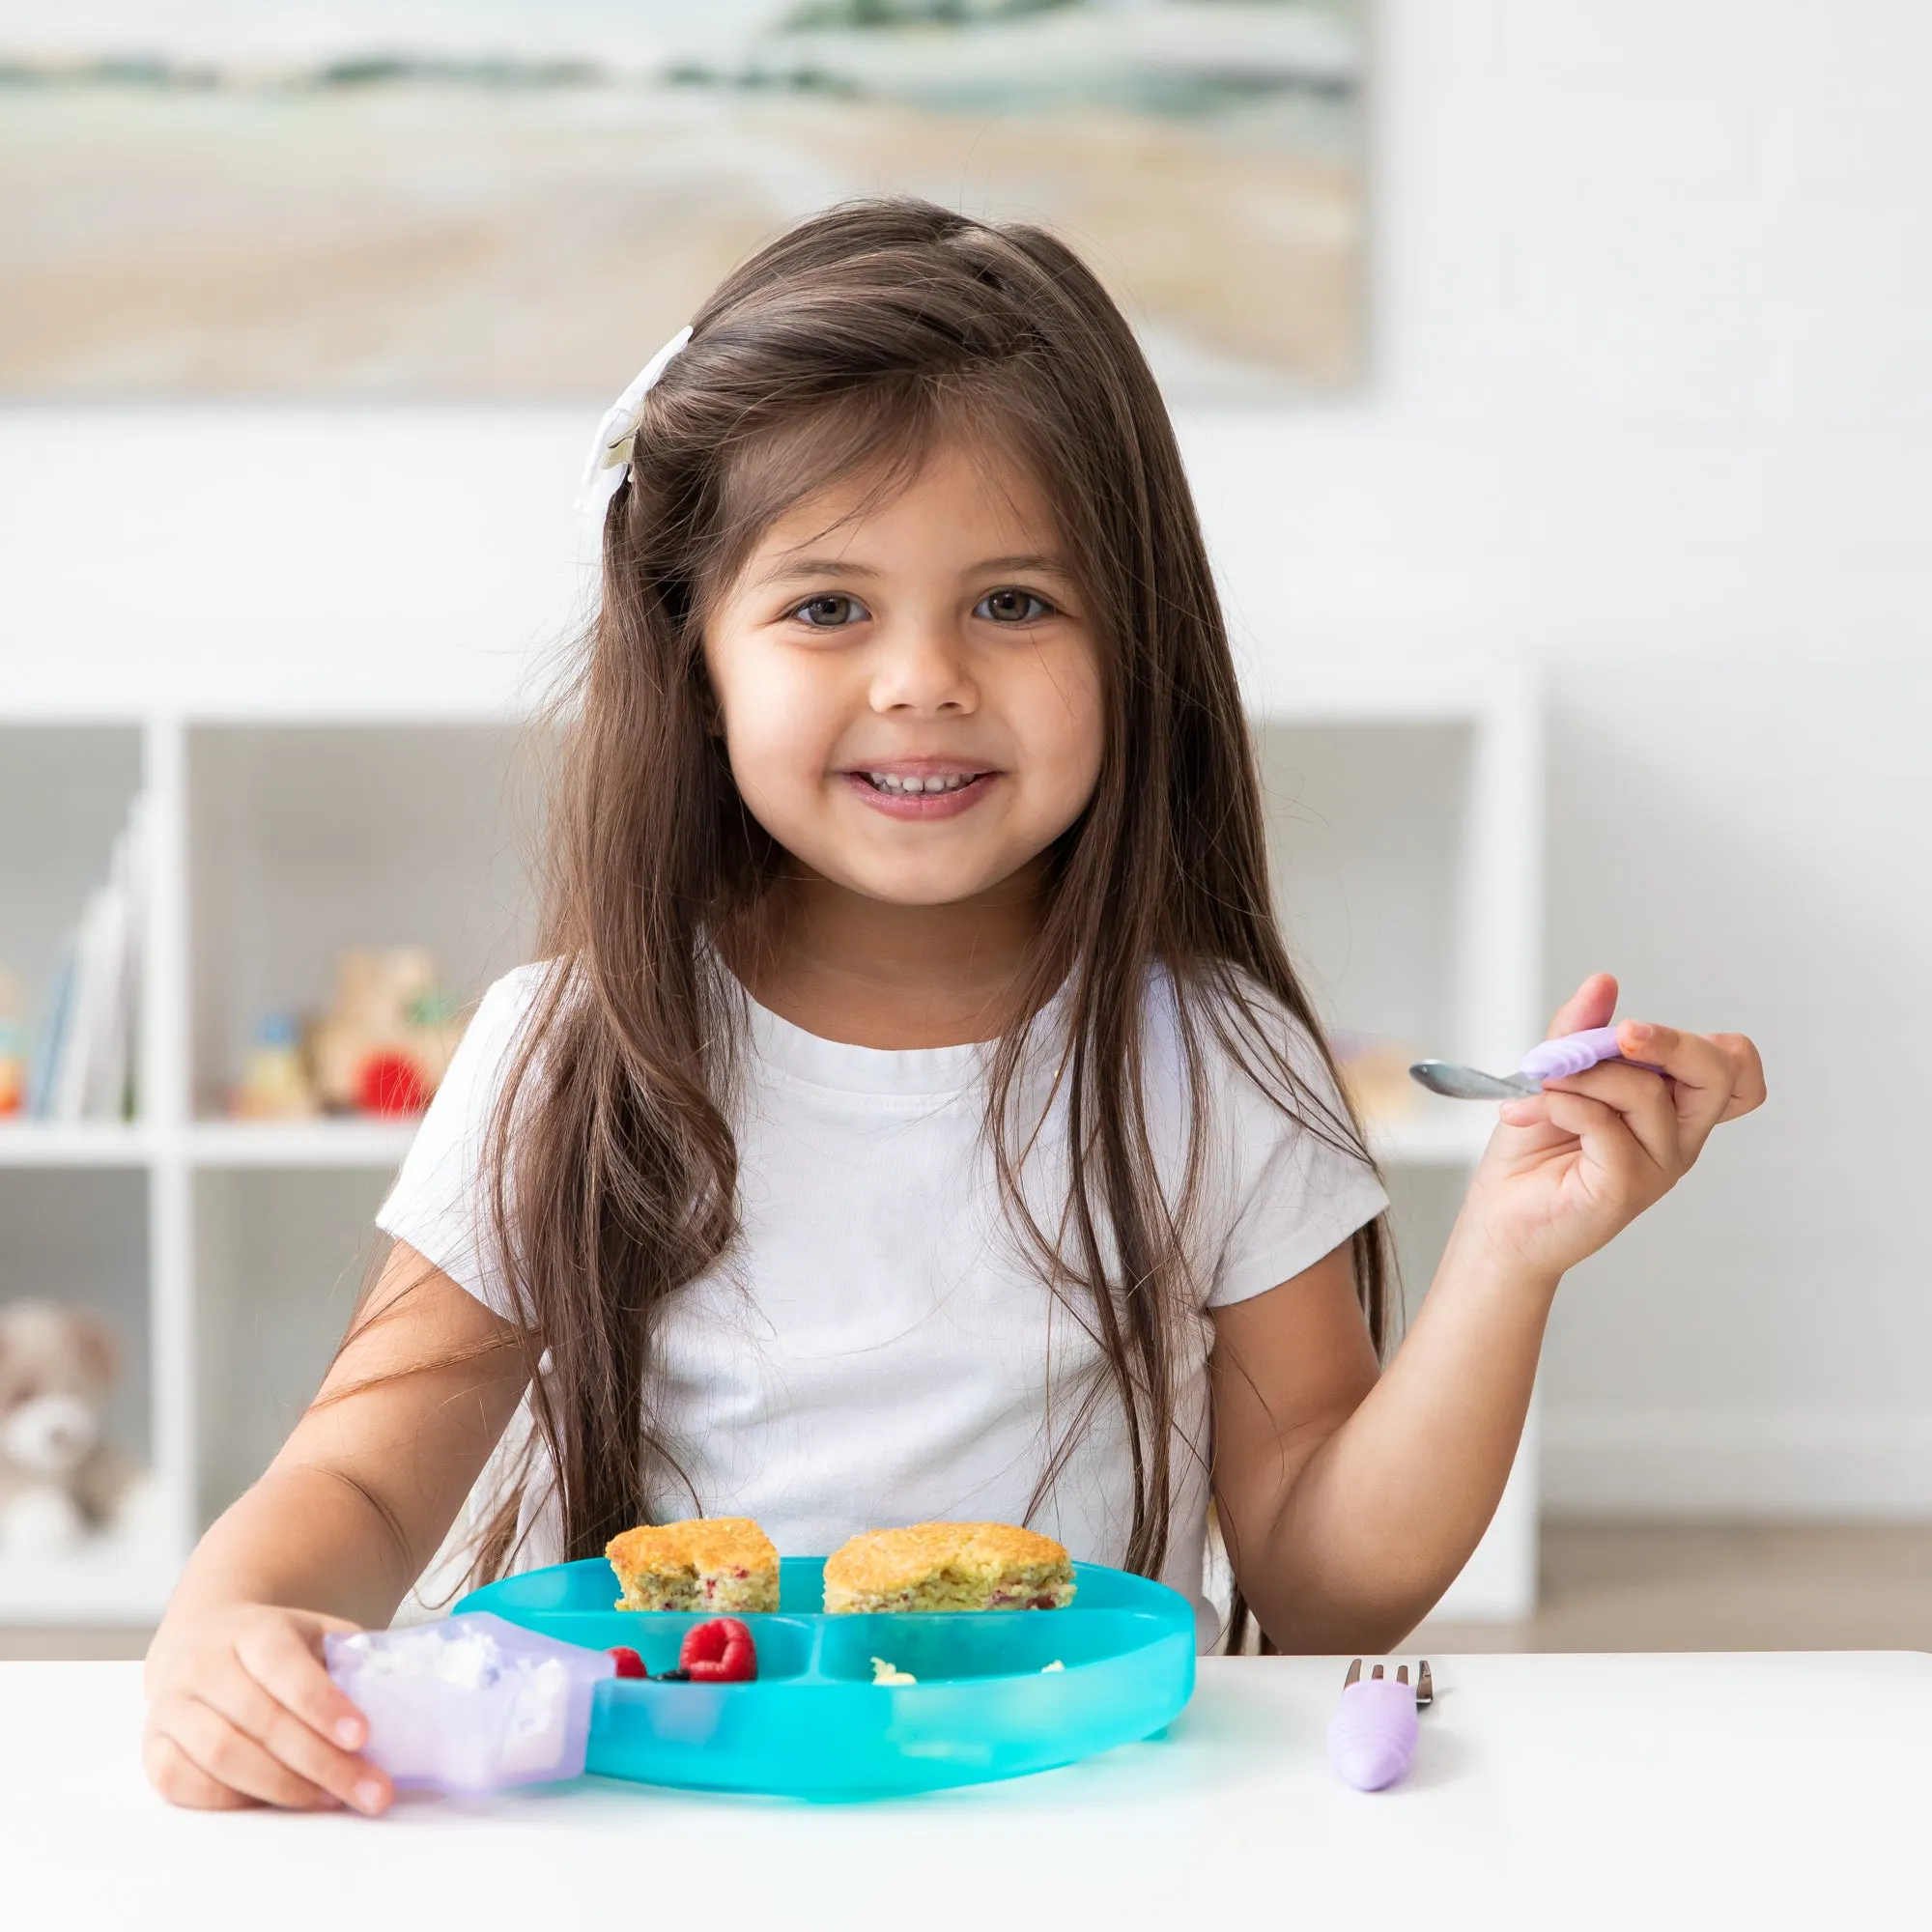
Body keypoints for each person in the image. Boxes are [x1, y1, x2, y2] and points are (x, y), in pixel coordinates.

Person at [141, 198, 1765, 1814]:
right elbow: (356, 1478)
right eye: (829, 605)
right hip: (660, 1835)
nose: (923, 677)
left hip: (1085, 1826)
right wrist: (222, 1630)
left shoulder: (1213, 1063)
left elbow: (1333, 1586)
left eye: (1013, 602)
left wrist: (1508, 1256)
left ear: (1137, 644)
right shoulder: (575, 1052)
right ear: (691, 653)